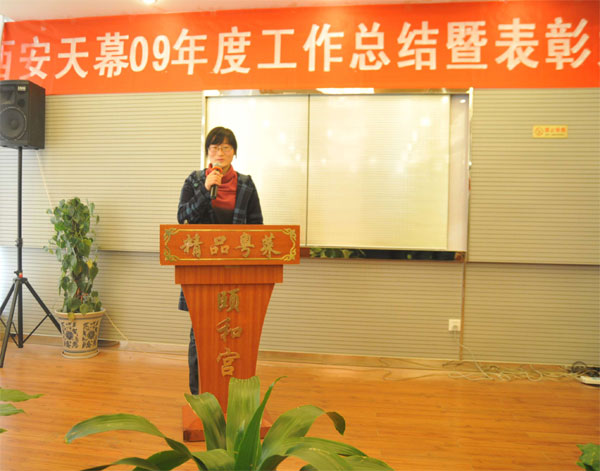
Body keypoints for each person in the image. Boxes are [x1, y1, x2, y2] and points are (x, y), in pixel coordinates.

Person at [177, 126, 263, 394]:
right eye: (215, 148)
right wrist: (205, 191)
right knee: (200, 333)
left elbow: (257, 228)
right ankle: (199, 396)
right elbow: (183, 218)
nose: (220, 152)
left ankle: (236, 396)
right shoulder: (195, 181)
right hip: (202, 272)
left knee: (236, 332)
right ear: (207, 153)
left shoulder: (246, 184)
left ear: (234, 152)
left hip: (236, 272)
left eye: (226, 147)